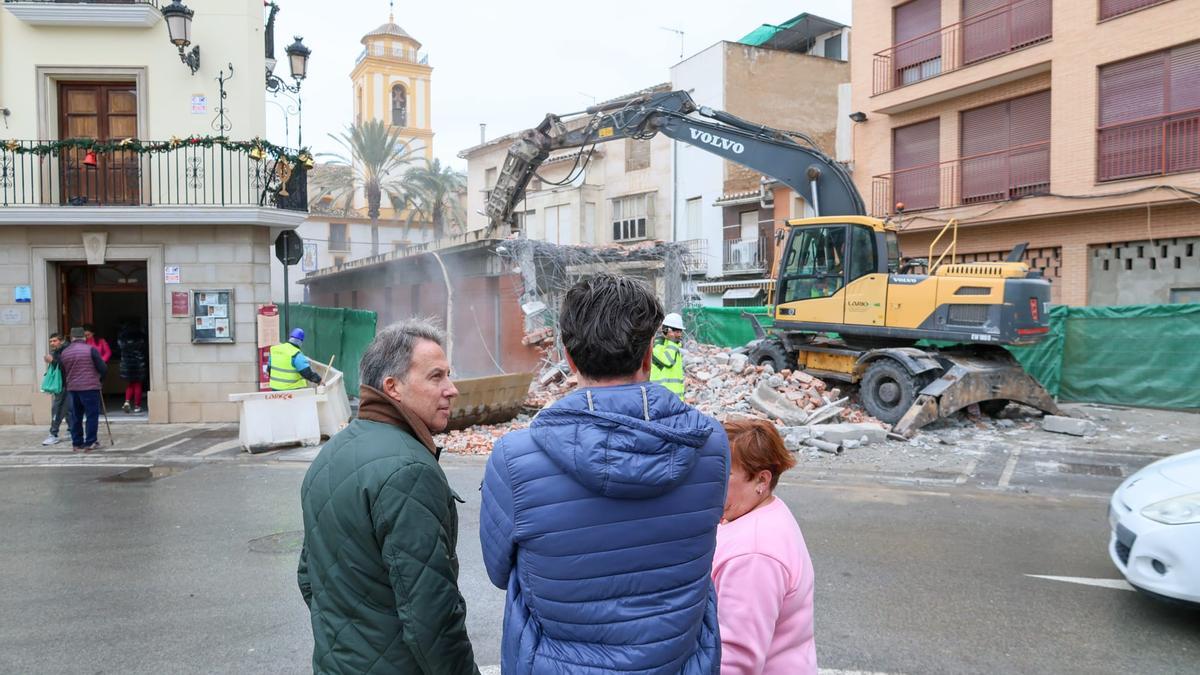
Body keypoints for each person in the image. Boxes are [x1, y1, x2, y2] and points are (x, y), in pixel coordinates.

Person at [480, 273, 729, 674]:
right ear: (648, 355)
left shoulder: (514, 458)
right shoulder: (710, 443)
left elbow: (499, 572)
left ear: (569, 358)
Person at [298, 319, 478, 674]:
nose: (452, 389)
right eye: (436, 377)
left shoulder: (332, 453)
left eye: (448, 375)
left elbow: (310, 576)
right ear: (393, 387)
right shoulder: (409, 471)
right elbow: (432, 617)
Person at [712, 419, 815, 675]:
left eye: (723, 474)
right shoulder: (764, 510)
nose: (710, 483)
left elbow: (734, 662)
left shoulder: (754, 554)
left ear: (761, 480)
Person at [59, 327, 107, 452]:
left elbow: (63, 372)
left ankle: (77, 443)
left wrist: (67, 385)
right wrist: (99, 379)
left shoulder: (65, 352)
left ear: (71, 338)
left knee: (76, 416)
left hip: (73, 388)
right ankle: (90, 442)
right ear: (84, 337)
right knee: (91, 415)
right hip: (90, 387)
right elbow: (103, 368)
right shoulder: (91, 349)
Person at [41, 332, 72, 446]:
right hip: (62, 385)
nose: (52, 343)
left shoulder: (67, 350)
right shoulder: (57, 351)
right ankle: (71, 430)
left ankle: (53, 434)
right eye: (50, 341)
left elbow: (67, 366)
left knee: (57, 409)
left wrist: (53, 361)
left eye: (54, 341)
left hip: (66, 385)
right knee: (67, 409)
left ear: (61, 341)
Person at [650, 311, 686, 400]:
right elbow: (668, 362)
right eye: (677, 331)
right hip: (661, 399)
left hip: (675, 400)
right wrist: (672, 341)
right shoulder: (657, 345)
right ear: (667, 330)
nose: (680, 334)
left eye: (680, 331)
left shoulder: (673, 346)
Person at [117, 322, 148, 414]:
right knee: (137, 385)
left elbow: (119, 349)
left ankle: (127, 401)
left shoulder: (122, 338)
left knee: (130, 384)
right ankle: (137, 406)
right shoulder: (141, 337)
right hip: (138, 364)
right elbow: (145, 349)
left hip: (126, 365)